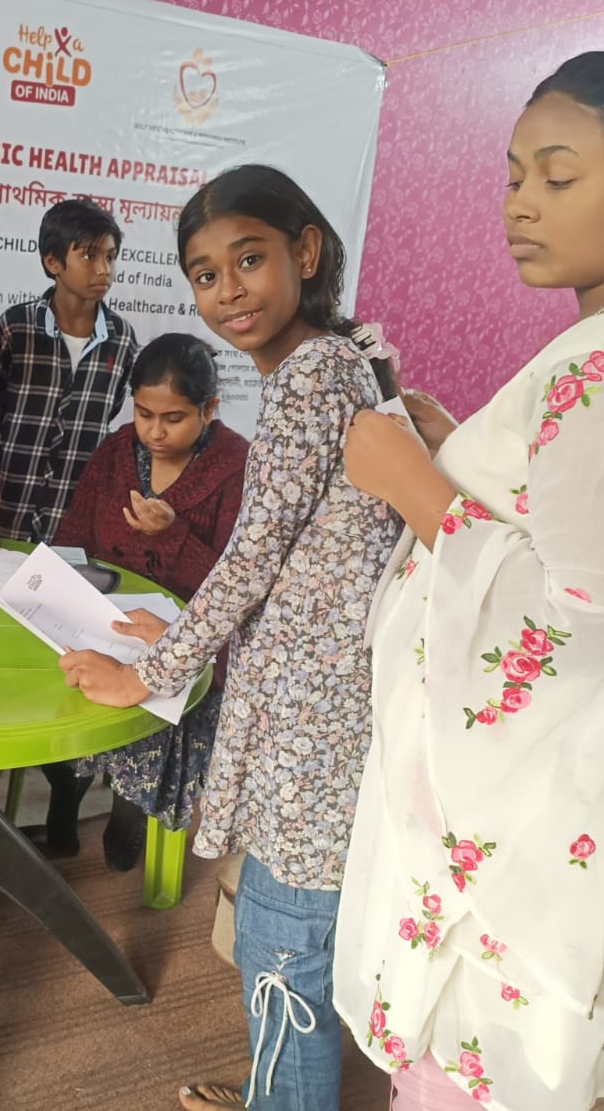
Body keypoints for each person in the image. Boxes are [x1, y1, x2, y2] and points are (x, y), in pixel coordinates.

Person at [334, 47, 604, 1111]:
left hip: (530, 766)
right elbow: (567, 510)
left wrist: (413, 485)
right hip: (550, 756)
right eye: (515, 174)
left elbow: (580, 614)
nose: (520, 204)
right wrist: (457, 449)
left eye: (557, 177)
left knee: (474, 1056)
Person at [57, 164, 402, 1111]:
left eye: (249, 260)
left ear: (307, 251)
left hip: (315, 713)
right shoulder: (344, 358)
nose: (228, 292)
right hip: (318, 693)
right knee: (278, 931)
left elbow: (252, 559)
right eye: (205, 275)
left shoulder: (309, 378)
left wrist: (150, 674)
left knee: (281, 943)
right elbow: (298, 555)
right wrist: (172, 625)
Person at [39, 333, 249, 866]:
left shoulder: (238, 467)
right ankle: (66, 792)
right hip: (106, 620)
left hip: (186, 640)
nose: (154, 432)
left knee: (163, 708)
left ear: (209, 410)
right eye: (143, 413)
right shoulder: (116, 453)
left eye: (173, 418)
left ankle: (130, 811)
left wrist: (173, 534)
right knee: (59, 674)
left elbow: (240, 586)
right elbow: (74, 535)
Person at [0, 197, 139, 543]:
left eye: (110, 257)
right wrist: (9, 446)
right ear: (54, 262)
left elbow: (110, 410)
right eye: (89, 256)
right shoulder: (17, 328)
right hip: (15, 496)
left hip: (76, 502)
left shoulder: (122, 340)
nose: (103, 270)